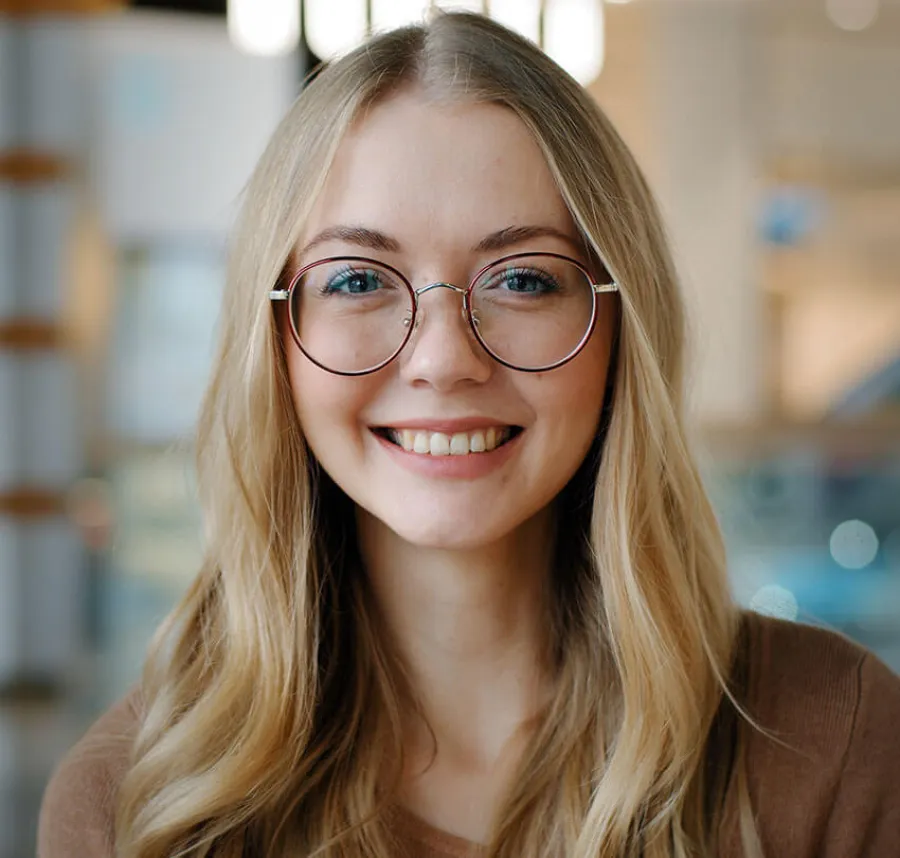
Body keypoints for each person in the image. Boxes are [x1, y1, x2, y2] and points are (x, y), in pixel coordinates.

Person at [37, 11, 900, 858]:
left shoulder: (837, 742)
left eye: (524, 278)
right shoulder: (133, 801)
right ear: (275, 339)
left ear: (619, 329)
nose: (443, 359)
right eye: (357, 280)